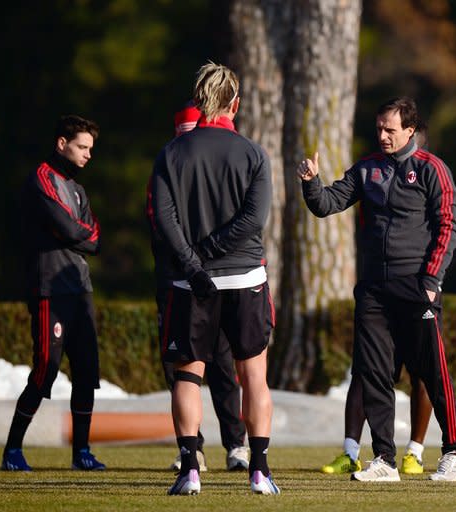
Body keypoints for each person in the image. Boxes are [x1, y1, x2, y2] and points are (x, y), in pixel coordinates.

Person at [299, 96, 456, 482]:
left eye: (390, 130)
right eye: (379, 129)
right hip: (374, 290)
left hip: (416, 286)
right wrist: (312, 183)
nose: (383, 136)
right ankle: (384, 460)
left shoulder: (432, 169)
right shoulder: (367, 169)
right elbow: (327, 204)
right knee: (374, 372)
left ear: (410, 131)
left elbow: (449, 225)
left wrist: (431, 281)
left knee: (431, 370)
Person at [151, 62, 278, 495]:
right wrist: (208, 253)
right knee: (254, 376)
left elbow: (164, 222)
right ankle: (258, 470)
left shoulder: (171, 153)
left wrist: (192, 261)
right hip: (245, 278)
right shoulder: (253, 153)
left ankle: (189, 469)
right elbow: (253, 220)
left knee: (188, 376)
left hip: (190, 283)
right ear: (234, 104)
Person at [146, 101, 249, 473]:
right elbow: (161, 226)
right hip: (176, 282)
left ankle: (236, 444)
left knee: (223, 365)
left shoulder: (216, 166)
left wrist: (201, 255)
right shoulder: (168, 165)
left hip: (215, 279)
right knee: (181, 370)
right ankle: (192, 449)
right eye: (184, 133)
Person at [2, 115, 105, 472]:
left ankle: (82, 453)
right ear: (62, 144)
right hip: (50, 289)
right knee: (45, 369)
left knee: (87, 371)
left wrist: (79, 234)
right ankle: (13, 449)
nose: (87, 155)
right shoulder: (41, 179)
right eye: (82, 147)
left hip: (80, 288)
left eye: (90, 149)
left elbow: (95, 238)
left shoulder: (79, 191)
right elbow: (70, 228)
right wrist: (79, 234)